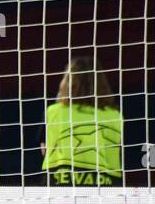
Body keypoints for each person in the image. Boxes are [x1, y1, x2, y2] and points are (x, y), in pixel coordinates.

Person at [40, 56, 122, 187]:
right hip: (104, 184)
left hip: (60, 182)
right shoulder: (115, 115)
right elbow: (119, 151)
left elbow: (44, 149)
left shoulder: (53, 112)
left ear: (67, 82)